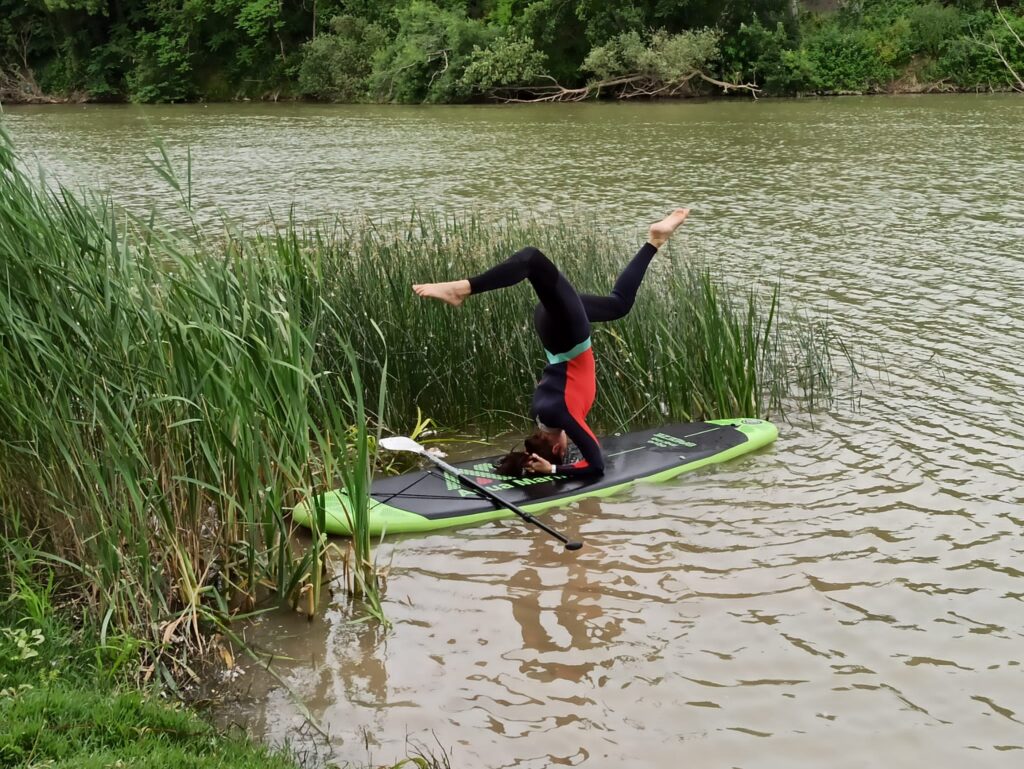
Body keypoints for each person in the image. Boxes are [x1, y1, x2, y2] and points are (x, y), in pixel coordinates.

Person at [412, 208, 689, 479]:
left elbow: (596, 466)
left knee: (532, 259)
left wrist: (554, 469)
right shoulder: (538, 412)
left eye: (564, 450)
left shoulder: (564, 417)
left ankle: (461, 289)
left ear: (558, 446)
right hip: (551, 329)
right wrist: (528, 462)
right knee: (618, 305)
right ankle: (656, 239)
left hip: (568, 333)